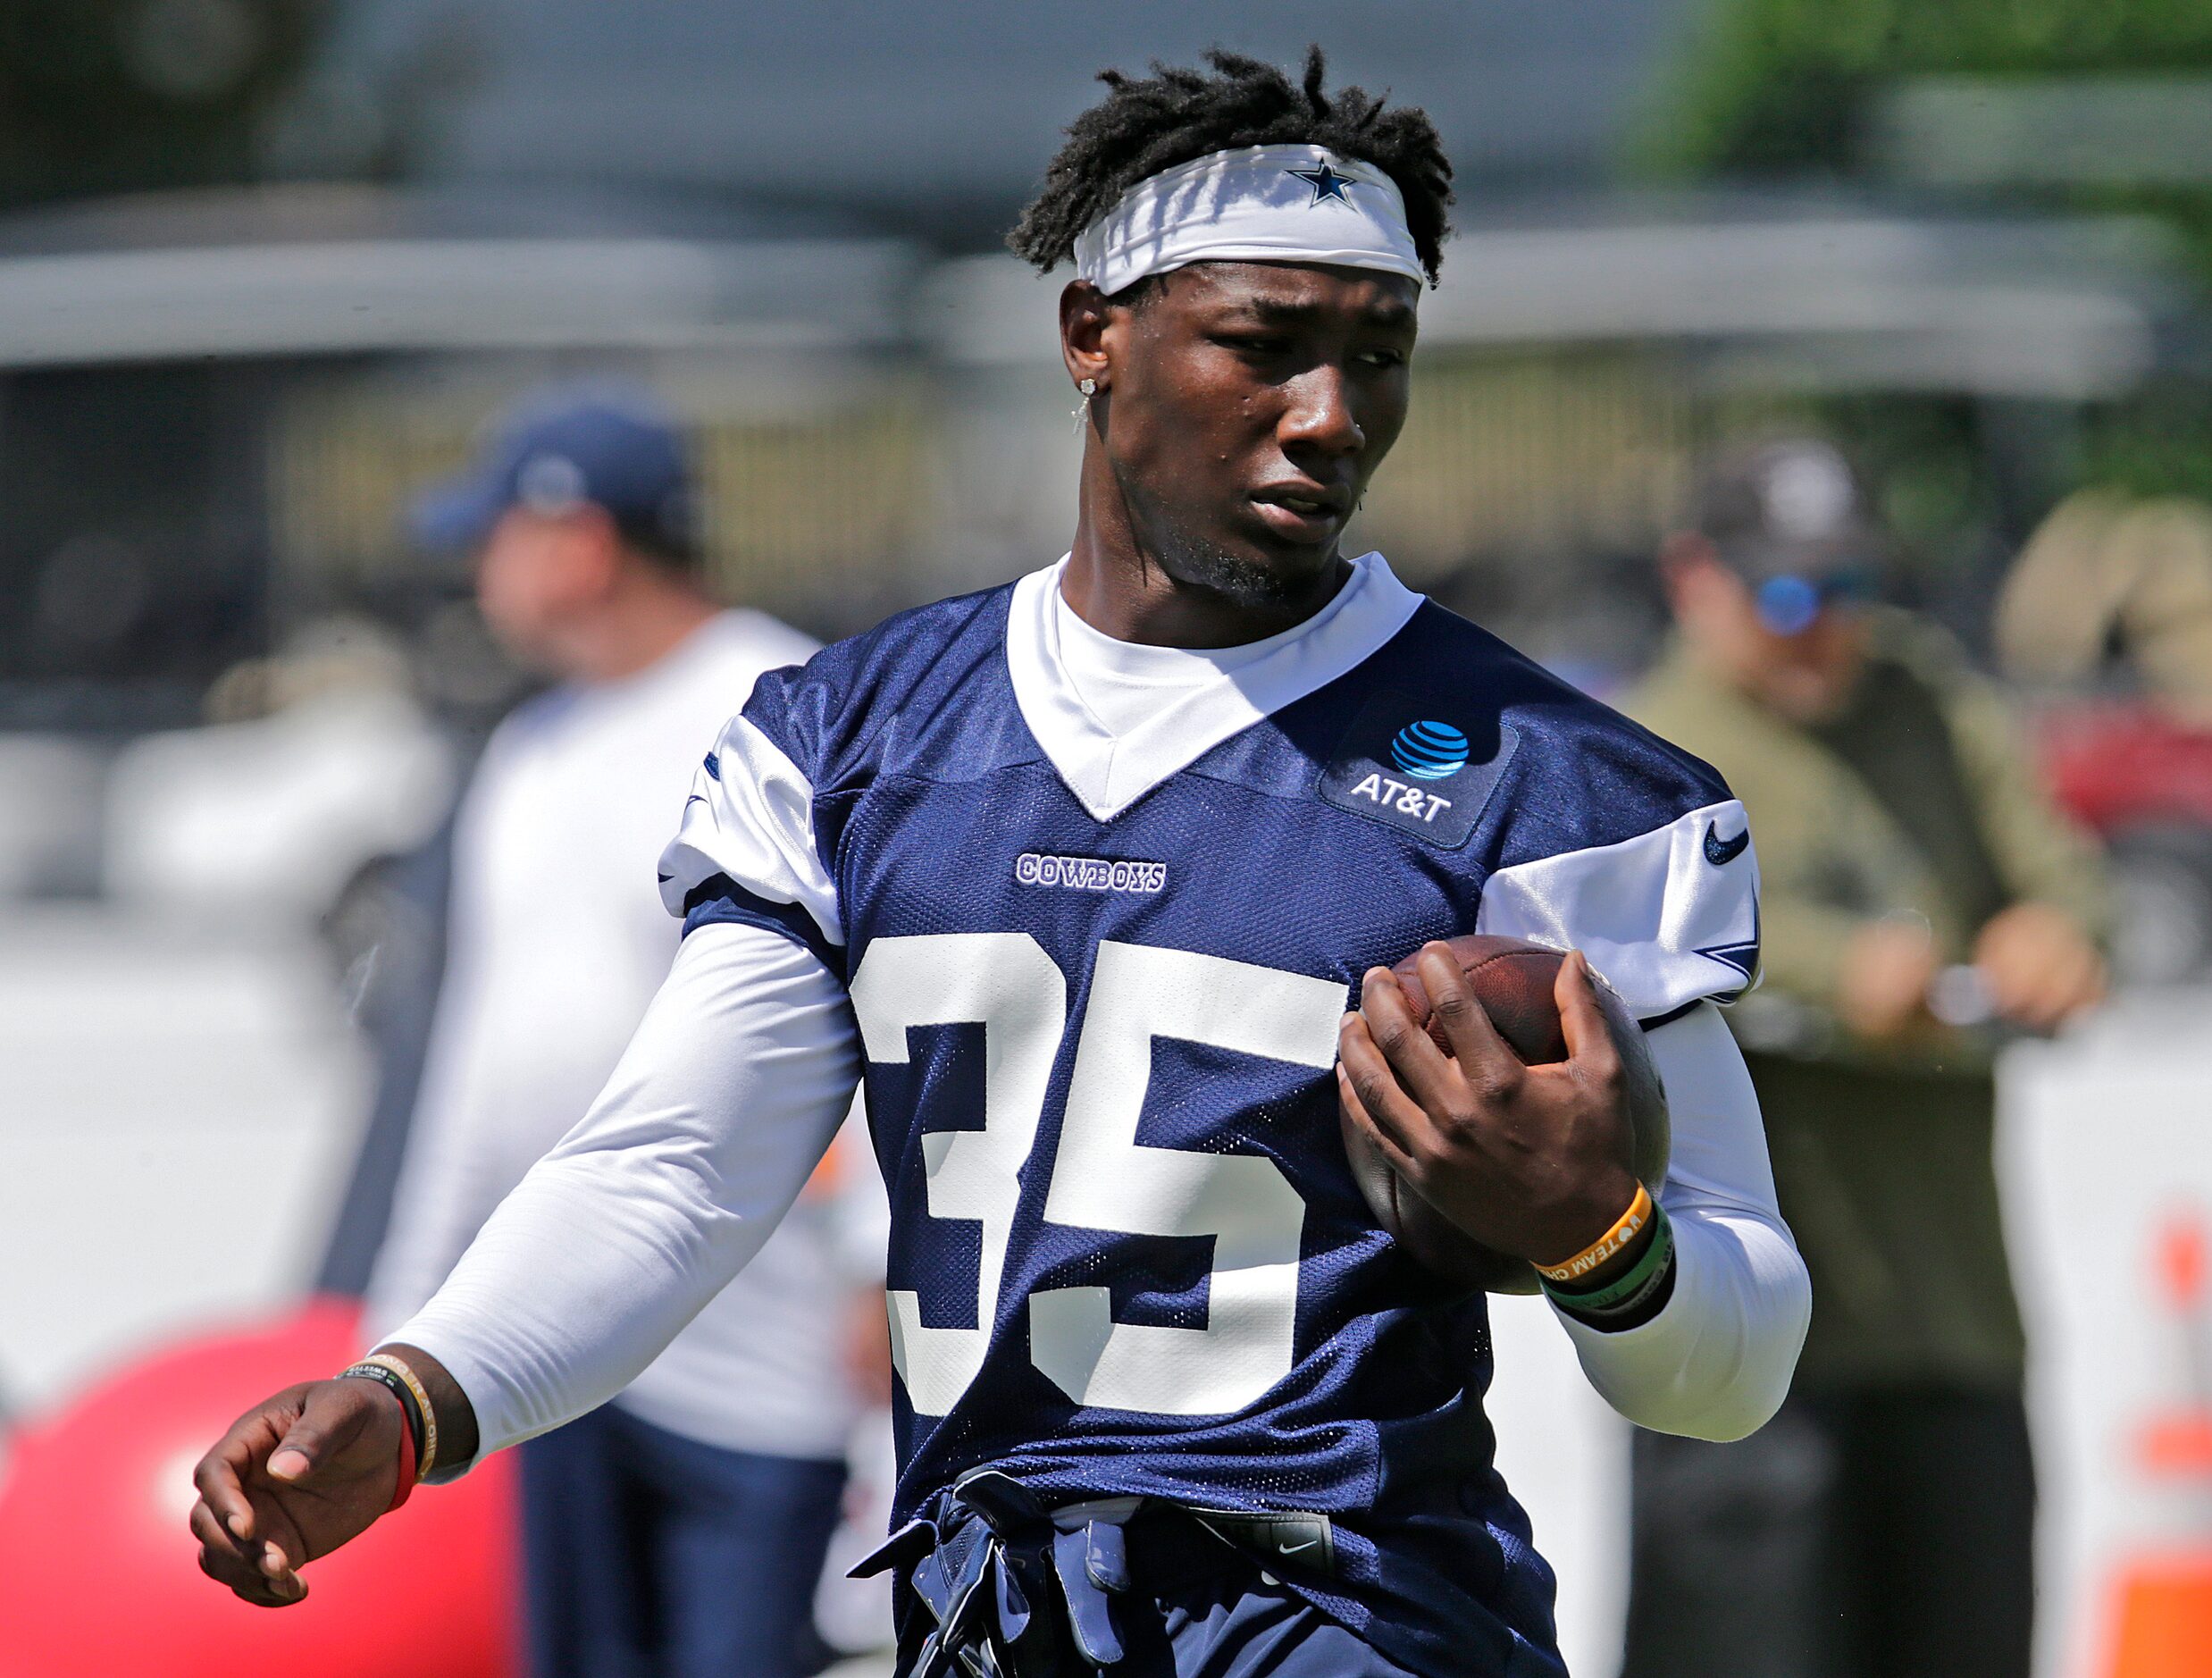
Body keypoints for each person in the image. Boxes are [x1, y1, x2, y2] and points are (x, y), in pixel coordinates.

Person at [190, 51, 1810, 1678]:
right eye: (1264, 343)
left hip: (1351, 1615)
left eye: (1375, 355)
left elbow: (1736, 1357)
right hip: (990, 1622)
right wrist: (419, 1394)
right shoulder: (859, 738)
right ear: (1091, 334)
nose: (1329, 414)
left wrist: (1608, 1243)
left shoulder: (1549, 776)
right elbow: (675, 1166)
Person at [361, 384, 871, 1678]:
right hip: (556, 1327)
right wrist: (404, 1325)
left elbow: (872, 1009)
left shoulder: (785, 703)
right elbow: (476, 1067)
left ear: (577, 542)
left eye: (494, 539)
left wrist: (875, 1267)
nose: (477, 572)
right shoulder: (528, 751)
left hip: (763, 1346)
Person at [1620, 438, 2108, 1678]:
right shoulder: (1639, 750)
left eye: (1848, 587)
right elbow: (1625, 932)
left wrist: (2061, 935)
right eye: (1786, 594)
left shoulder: (1932, 702)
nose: (1821, 625)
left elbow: (2065, 884)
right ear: (1696, 579)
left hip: (1953, 1327)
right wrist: (1843, 971)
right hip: (1741, 1354)